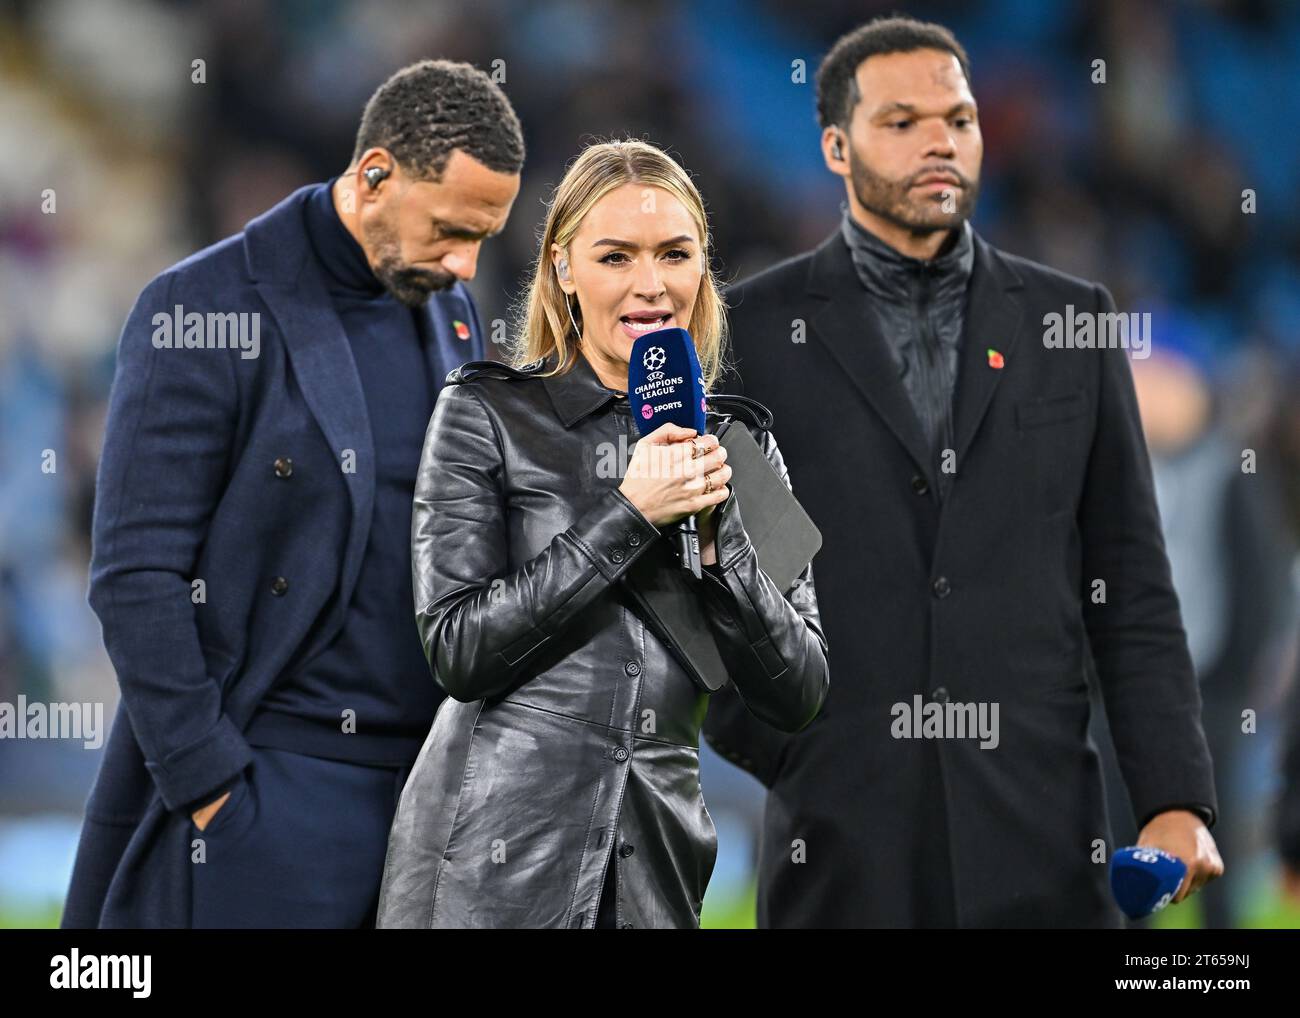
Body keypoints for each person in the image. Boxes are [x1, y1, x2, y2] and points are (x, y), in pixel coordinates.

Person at [703, 16, 1223, 927]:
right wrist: (803, 753)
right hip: (841, 858)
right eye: (901, 121)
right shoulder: (750, 335)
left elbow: (1131, 588)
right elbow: (730, 584)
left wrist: (1175, 799)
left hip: (1049, 848)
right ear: (835, 145)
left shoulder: (1075, 324)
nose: (940, 140)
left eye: (960, 117)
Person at [61, 59, 524, 928]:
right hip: (274, 796)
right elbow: (133, 574)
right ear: (375, 173)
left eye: (482, 238)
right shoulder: (198, 306)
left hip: (428, 800)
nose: (464, 261)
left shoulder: (449, 312)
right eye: (449, 229)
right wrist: (214, 790)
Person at [375, 139, 829, 929]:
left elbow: (799, 693)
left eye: (674, 254)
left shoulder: (740, 452)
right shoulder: (486, 412)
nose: (650, 285)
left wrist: (725, 550)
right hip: (487, 875)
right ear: (562, 270)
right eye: (615, 256)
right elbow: (457, 647)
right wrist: (629, 513)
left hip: (654, 879)